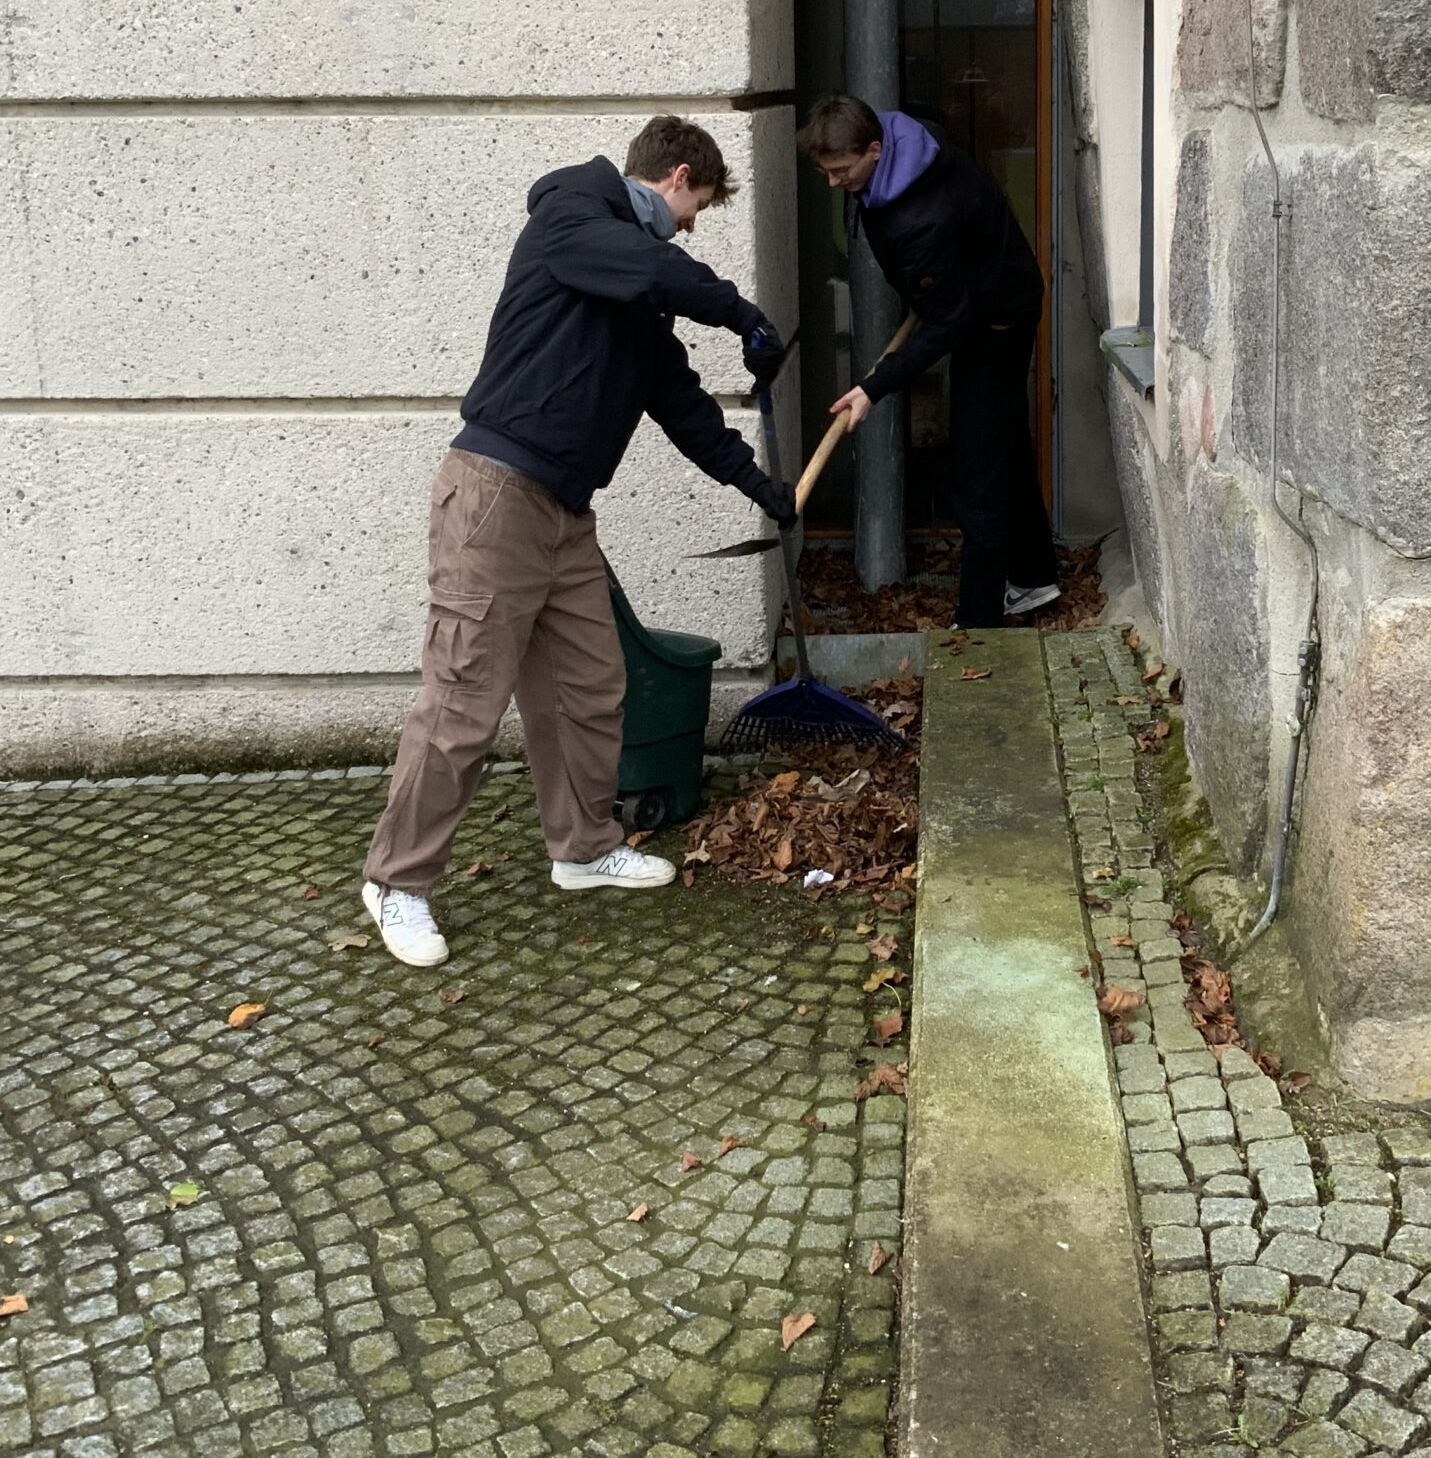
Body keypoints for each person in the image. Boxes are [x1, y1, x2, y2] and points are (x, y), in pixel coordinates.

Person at [360, 116, 792, 968]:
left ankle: (585, 847)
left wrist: (761, 489)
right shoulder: (572, 216)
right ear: (676, 178)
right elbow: (654, 267)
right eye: (696, 209)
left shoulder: (635, 297)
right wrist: (740, 312)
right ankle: (396, 881)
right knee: (462, 704)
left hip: (563, 513)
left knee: (588, 687)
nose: (689, 229)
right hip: (494, 498)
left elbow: (684, 408)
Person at [798, 95, 1059, 630]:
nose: (833, 182)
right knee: (1004, 440)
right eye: (825, 171)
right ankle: (1033, 576)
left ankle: (979, 621)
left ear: (874, 149)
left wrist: (873, 387)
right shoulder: (909, 142)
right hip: (981, 292)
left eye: (841, 171)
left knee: (976, 470)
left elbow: (949, 323)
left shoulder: (921, 221)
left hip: (993, 320)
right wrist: (934, 288)